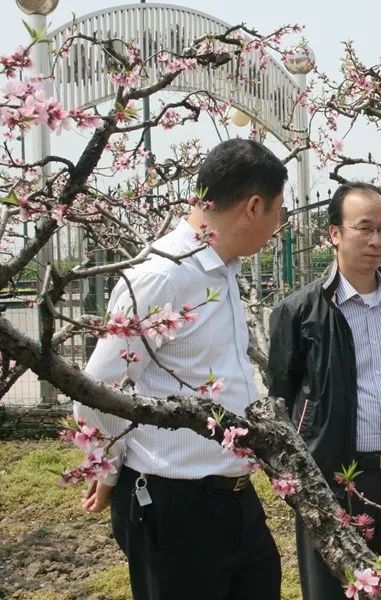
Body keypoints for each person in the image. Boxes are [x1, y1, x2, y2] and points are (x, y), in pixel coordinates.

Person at [74, 138, 287, 600]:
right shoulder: (162, 276)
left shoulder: (224, 270)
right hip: (174, 502)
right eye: (277, 213)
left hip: (235, 495)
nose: (277, 227)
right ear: (254, 206)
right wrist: (108, 468)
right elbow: (98, 387)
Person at [267, 182, 381, 600]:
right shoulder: (300, 311)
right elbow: (279, 399)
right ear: (335, 233)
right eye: (364, 228)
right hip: (330, 477)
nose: (377, 240)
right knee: (331, 589)